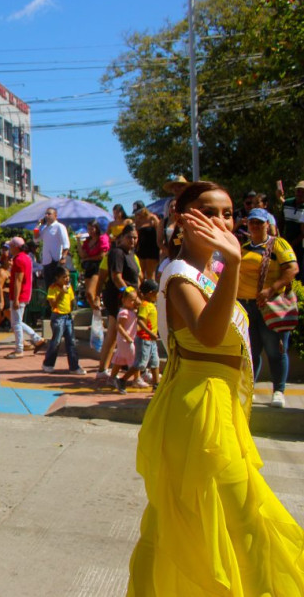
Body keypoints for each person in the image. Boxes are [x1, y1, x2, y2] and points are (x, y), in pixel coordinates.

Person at [127, 181, 304, 595]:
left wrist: (234, 266)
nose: (221, 221)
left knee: (229, 520)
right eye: (208, 211)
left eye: (227, 213)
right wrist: (235, 263)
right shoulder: (178, 275)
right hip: (198, 408)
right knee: (232, 518)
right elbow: (208, 333)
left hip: (219, 403)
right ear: (180, 218)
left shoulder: (213, 271)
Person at [237, 207, 299, 408]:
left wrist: (271, 289)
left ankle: (279, 390)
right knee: (251, 351)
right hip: (246, 306)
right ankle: (250, 388)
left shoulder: (278, 244)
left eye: (259, 222)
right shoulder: (244, 247)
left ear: (267, 224)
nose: (254, 225)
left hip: (269, 306)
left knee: (276, 350)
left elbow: (292, 268)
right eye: (252, 222)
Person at [95, 224, 140, 381]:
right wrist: (128, 294)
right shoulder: (116, 253)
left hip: (130, 300)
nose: (132, 240)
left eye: (135, 237)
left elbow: (137, 277)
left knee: (119, 334)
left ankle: (111, 368)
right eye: (129, 237)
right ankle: (103, 369)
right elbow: (116, 276)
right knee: (114, 333)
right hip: (118, 299)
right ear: (121, 238)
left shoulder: (132, 254)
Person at [4, 236, 46, 358]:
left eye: (11, 246)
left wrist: (16, 298)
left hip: (19, 295)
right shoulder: (25, 258)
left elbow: (18, 280)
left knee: (16, 323)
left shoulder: (19, 260)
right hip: (25, 293)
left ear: (16, 247)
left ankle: (19, 349)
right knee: (17, 321)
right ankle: (36, 339)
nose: (9, 249)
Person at [41, 266, 85, 374]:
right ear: (57, 277)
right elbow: (52, 303)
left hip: (68, 316)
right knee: (56, 341)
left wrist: (73, 309)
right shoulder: (53, 288)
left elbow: (71, 300)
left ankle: (74, 366)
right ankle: (48, 364)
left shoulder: (69, 287)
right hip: (58, 317)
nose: (67, 279)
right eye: (64, 277)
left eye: (68, 276)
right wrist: (61, 292)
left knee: (71, 342)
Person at [107, 286, 139, 394]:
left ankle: (111, 378)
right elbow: (119, 326)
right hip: (126, 340)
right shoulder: (124, 312)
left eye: (135, 299)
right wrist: (128, 338)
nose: (134, 302)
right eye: (131, 300)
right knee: (135, 360)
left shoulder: (132, 311)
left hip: (127, 340)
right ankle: (136, 378)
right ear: (123, 300)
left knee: (120, 359)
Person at [132, 279, 160, 389]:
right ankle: (123, 379)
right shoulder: (144, 306)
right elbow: (140, 321)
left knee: (155, 362)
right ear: (150, 293)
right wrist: (150, 333)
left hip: (151, 340)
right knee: (141, 363)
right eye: (156, 293)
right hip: (145, 339)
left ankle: (156, 384)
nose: (157, 295)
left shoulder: (150, 305)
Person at [80, 217, 110, 308]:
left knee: (91, 292)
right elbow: (83, 255)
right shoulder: (87, 241)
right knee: (89, 295)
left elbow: (102, 255)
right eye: (88, 229)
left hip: (98, 267)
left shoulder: (102, 238)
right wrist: (78, 241)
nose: (90, 231)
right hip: (89, 267)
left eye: (92, 228)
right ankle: (96, 312)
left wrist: (88, 259)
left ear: (97, 228)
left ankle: (97, 312)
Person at [279, 180, 304, 281]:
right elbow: (281, 221)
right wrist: (280, 238)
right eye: (298, 191)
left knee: (298, 265)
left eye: (303, 191)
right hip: (287, 238)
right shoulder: (288, 203)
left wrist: (293, 243)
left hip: (300, 242)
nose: (300, 194)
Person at [39, 207, 71, 288]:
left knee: (58, 286)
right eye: (46, 214)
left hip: (56, 260)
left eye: (49, 214)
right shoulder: (45, 228)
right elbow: (36, 239)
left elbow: (66, 243)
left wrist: (63, 257)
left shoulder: (59, 226)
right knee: (49, 287)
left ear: (55, 215)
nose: (46, 216)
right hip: (46, 262)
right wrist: (39, 225)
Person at [132, 200, 161, 281]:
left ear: (144, 209)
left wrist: (160, 247)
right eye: (136, 212)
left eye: (139, 211)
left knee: (150, 273)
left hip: (152, 248)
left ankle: (152, 292)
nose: (138, 214)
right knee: (140, 273)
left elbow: (159, 232)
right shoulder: (137, 221)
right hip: (141, 249)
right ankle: (141, 292)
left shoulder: (152, 218)